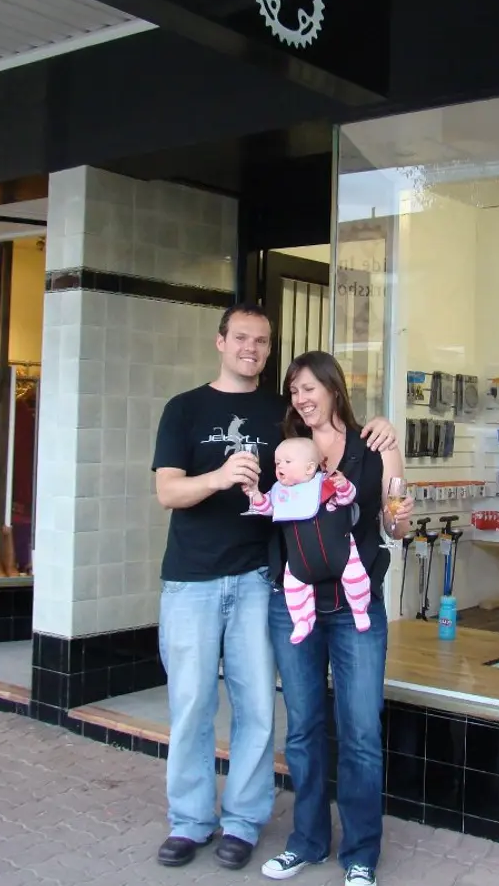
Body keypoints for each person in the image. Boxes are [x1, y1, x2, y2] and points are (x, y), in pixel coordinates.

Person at [152, 305, 396, 873]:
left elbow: (346, 457)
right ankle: (190, 821)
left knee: (260, 710)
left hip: (265, 581)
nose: (252, 349)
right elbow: (167, 492)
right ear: (220, 342)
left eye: (262, 342)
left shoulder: (281, 419)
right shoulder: (184, 408)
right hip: (195, 578)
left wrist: (381, 430)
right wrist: (220, 477)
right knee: (193, 704)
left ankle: (243, 821)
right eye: (242, 338)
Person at [261, 351, 413, 886]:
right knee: (302, 729)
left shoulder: (375, 446)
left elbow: (393, 524)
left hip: (356, 608)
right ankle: (306, 841)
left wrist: (399, 516)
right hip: (294, 604)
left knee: (361, 731)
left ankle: (361, 854)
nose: (301, 399)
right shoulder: (280, 449)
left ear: (333, 388)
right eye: (294, 391)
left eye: (309, 388)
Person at [247, 436, 369, 643]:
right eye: (277, 463)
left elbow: (347, 498)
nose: (279, 467)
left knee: (356, 578)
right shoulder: (280, 492)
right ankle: (303, 621)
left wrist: (342, 485)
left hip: (341, 553)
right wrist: (255, 494)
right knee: (293, 587)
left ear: (309, 468)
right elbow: (266, 508)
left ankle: (360, 610)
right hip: (299, 562)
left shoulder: (324, 485)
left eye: (287, 462)